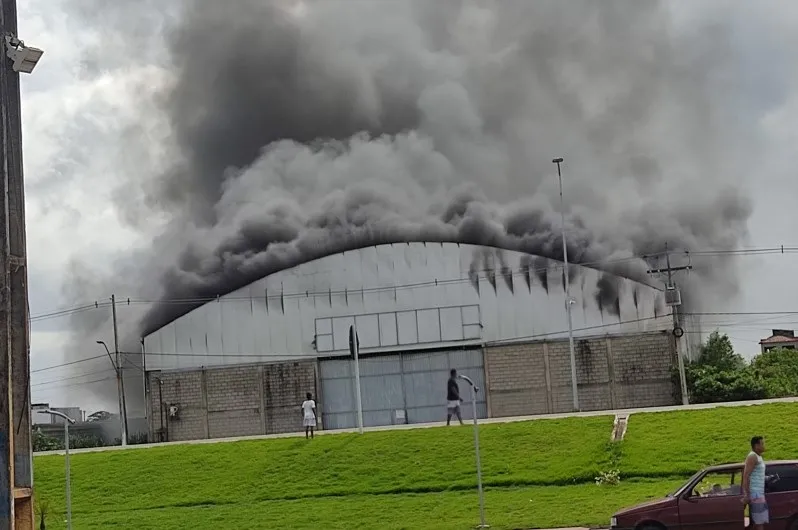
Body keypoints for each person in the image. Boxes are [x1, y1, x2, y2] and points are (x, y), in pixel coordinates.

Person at [743, 436, 768, 529]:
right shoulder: (752, 456)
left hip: (759, 493)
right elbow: (746, 475)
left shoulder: (758, 457)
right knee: (759, 522)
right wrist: (747, 494)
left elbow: (756, 475)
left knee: (757, 522)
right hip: (756, 494)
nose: (764, 446)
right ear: (756, 445)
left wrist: (766, 478)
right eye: (762, 443)